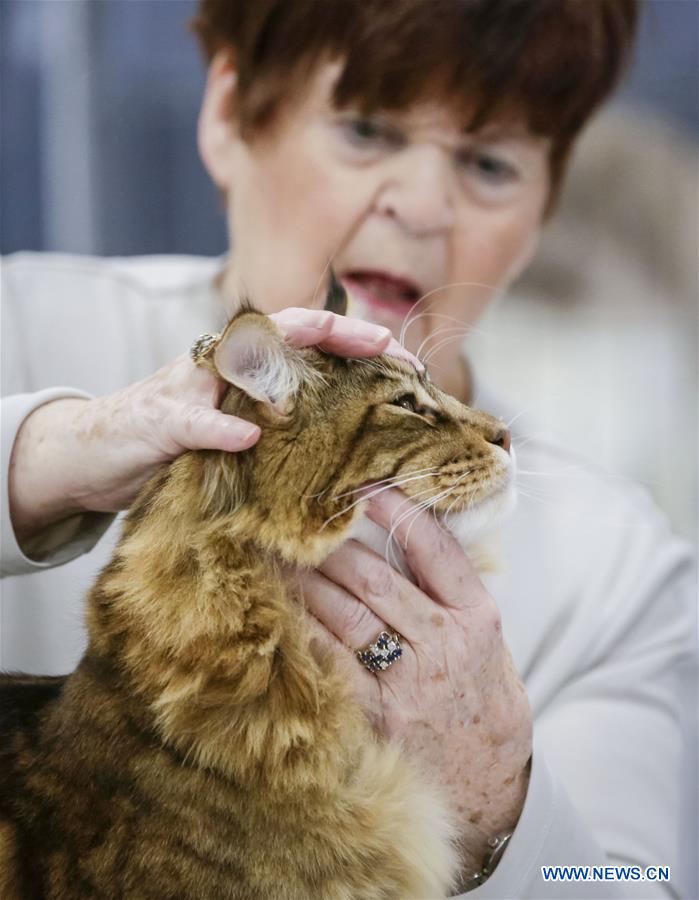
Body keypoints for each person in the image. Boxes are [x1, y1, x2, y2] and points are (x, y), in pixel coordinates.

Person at [1, 1, 695, 897]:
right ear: (228, 116)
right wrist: (32, 459)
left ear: (541, 213)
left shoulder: (622, 568)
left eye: (488, 164)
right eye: (367, 130)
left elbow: (635, 882)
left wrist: (499, 813)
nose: (422, 206)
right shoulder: (22, 323)